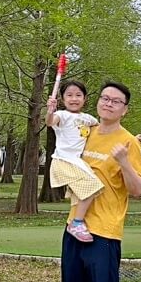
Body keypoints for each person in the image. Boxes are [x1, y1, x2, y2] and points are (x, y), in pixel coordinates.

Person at [51, 81, 141, 282]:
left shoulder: (129, 142)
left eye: (115, 101)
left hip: (104, 232)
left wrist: (124, 163)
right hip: (74, 227)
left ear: (124, 109)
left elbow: (137, 189)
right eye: (104, 98)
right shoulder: (87, 131)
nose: (108, 103)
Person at [46, 80, 101, 243]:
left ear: (84, 99)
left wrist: (132, 139)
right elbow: (49, 122)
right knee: (92, 186)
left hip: (77, 162)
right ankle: (77, 223)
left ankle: (77, 220)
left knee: (87, 191)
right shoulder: (62, 115)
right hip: (63, 160)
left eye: (78, 95)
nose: (74, 99)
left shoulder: (88, 119)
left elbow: (104, 131)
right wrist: (50, 111)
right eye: (69, 95)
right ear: (62, 99)